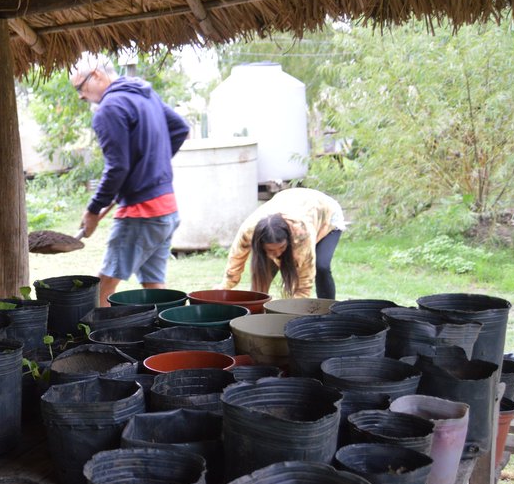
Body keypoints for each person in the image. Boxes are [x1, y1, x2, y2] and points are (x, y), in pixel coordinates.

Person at [73, 58, 190, 307]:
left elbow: (117, 167)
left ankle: (92, 339)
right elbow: (180, 128)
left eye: (79, 88)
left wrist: (93, 210)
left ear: (96, 75)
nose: (81, 97)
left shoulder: (108, 109)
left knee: (103, 284)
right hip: (166, 210)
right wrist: (149, 167)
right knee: (154, 284)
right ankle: (164, 333)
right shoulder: (145, 95)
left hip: (141, 213)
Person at [219, 186, 346, 299]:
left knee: (321, 266)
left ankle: (329, 311)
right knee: (263, 273)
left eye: (281, 248)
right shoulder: (248, 230)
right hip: (290, 201)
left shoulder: (301, 234)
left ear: (289, 241)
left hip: (326, 214)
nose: (277, 253)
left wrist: (293, 310)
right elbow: (236, 259)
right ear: (260, 244)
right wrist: (224, 287)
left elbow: (304, 283)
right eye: (270, 250)